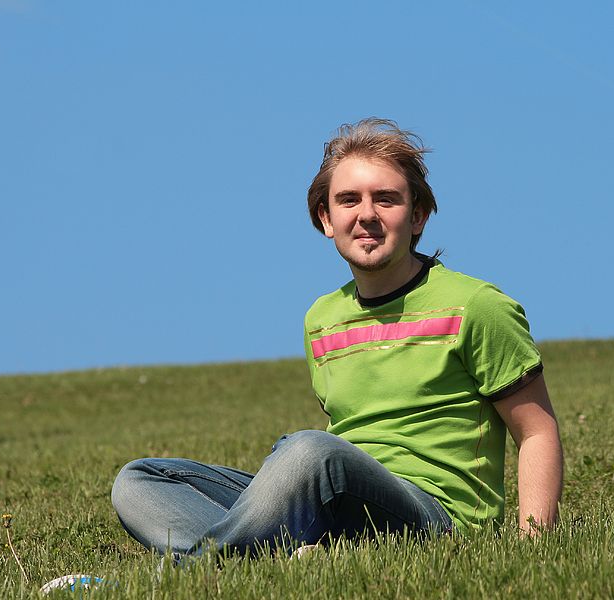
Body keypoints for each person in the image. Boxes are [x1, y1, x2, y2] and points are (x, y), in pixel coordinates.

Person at [110, 118, 563, 560]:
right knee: (142, 479)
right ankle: (275, 556)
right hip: (337, 498)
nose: (367, 214)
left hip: (435, 518)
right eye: (349, 200)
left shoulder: (476, 305)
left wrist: (534, 546)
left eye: (386, 199)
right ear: (326, 219)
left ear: (419, 215)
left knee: (308, 451)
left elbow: (537, 431)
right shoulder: (321, 319)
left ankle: (208, 566)